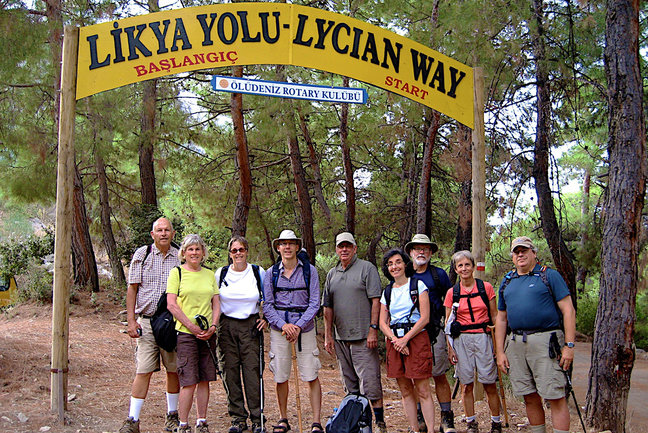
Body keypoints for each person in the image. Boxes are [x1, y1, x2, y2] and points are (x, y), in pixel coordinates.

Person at [495, 237, 576, 433]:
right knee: (529, 396)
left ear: (534, 253)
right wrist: (500, 352)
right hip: (515, 344)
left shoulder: (549, 276)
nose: (520, 255)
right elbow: (501, 319)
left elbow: (568, 310)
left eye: (524, 250)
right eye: (516, 252)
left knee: (555, 396)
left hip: (546, 343)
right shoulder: (507, 281)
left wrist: (569, 346)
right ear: (512, 257)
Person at [323, 232, 388, 433]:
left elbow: (376, 300)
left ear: (355, 248)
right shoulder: (332, 274)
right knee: (350, 386)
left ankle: (379, 424)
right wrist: (328, 335)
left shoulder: (366, 269)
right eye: (341, 246)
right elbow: (327, 307)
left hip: (363, 338)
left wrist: (373, 330)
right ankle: (358, 424)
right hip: (341, 339)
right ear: (336, 249)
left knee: (370, 385)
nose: (344, 249)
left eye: (348, 246)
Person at [121, 217, 180, 433]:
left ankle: (172, 417)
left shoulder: (180, 256)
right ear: (152, 234)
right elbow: (132, 289)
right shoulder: (142, 254)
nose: (163, 233)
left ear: (173, 234)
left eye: (167, 230)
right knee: (143, 370)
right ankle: (132, 420)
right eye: (159, 230)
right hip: (145, 322)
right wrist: (130, 321)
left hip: (170, 323)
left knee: (173, 370)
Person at [262, 230, 323, 433]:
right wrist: (284, 326)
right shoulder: (271, 273)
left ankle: (316, 422)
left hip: (304, 331)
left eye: (291, 243)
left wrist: (298, 326)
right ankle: (283, 418)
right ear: (278, 248)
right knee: (280, 375)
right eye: (283, 244)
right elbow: (268, 305)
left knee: (311, 373)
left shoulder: (309, 271)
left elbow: (315, 303)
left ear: (297, 247)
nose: (287, 247)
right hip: (280, 331)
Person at [166, 234, 220, 433]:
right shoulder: (177, 273)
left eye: (197, 249)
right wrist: (191, 326)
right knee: (188, 380)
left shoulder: (209, 274)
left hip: (208, 334)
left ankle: (202, 421)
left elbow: (216, 303)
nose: (194, 253)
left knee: (205, 378)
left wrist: (213, 326)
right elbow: (171, 304)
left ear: (203, 252)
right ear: (184, 252)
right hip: (186, 335)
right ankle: (183, 424)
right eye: (190, 249)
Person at [444, 251, 501, 433]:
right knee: (466, 384)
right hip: (462, 340)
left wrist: (498, 347)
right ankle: (471, 423)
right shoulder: (452, 293)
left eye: (467, 264)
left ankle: (496, 422)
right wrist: (450, 348)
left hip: (484, 337)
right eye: (460, 266)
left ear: (473, 266)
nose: (464, 268)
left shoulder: (486, 288)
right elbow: (448, 324)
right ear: (456, 269)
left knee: (489, 383)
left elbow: (495, 317)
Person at [379, 248, 435, 433]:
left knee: (423, 388)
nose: (394, 267)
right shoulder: (387, 292)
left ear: (405, 264)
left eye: (397, 262)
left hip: (416, 339)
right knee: (404, 389)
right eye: (390, 264)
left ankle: (431, 428)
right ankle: (413, 428)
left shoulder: (418, 285)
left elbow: (425, 317)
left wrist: (405, 339)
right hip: (395, 342)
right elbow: (382, 322)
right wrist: (395, 340)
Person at [215, 236, 267, 433]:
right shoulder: (221, 274)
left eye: (241, 249)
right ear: (230, 254)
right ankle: (237, 418)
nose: (238, 253)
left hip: (251, 326)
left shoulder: (256, 272)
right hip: (226, 326)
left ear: (247, 251)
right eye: (234, 250)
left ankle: (257, 419)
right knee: (230, 372)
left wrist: (266, 319)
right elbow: (214, 301)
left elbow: (267, 298)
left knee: (252, 372)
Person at [404, 234, 455, 433]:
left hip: (434, 332)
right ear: (410, 252)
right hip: (411, 335)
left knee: (439, 375)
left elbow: (450, 301)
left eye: (425, 248)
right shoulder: (405, 275)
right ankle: (420, 418)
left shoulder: (438, 275)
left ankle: (446, 418)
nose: (421, 252)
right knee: (414, 377)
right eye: (417, 248)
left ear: (431, 252)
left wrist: (450, 329)